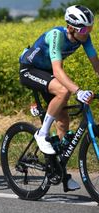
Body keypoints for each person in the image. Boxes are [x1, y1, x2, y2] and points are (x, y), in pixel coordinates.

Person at [19, 5, 99, 191]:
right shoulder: (57, 35)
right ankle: (42, 133)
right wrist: (78, 91)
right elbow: (57, 71)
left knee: (63, 120)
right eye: (84, 29)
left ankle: (61, 173)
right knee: (64, 91)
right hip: (29, 69)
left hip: (46, 72)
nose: (88, 32)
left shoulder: (83, 39)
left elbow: (97, 65)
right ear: (70, 27)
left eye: (91, 28)